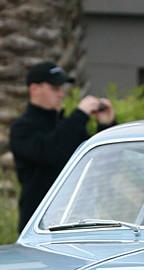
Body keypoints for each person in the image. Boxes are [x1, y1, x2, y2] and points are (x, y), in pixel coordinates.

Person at [9, 61, 116, 231]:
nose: (61, 94)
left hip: (76, 220)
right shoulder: (22, 128)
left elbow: (101, 161)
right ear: (34, 89)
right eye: (54, 88)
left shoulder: (66, 126)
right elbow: (48, 152)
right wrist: (80, 115)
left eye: (61, 89)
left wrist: (106, 125)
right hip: (37, 226)